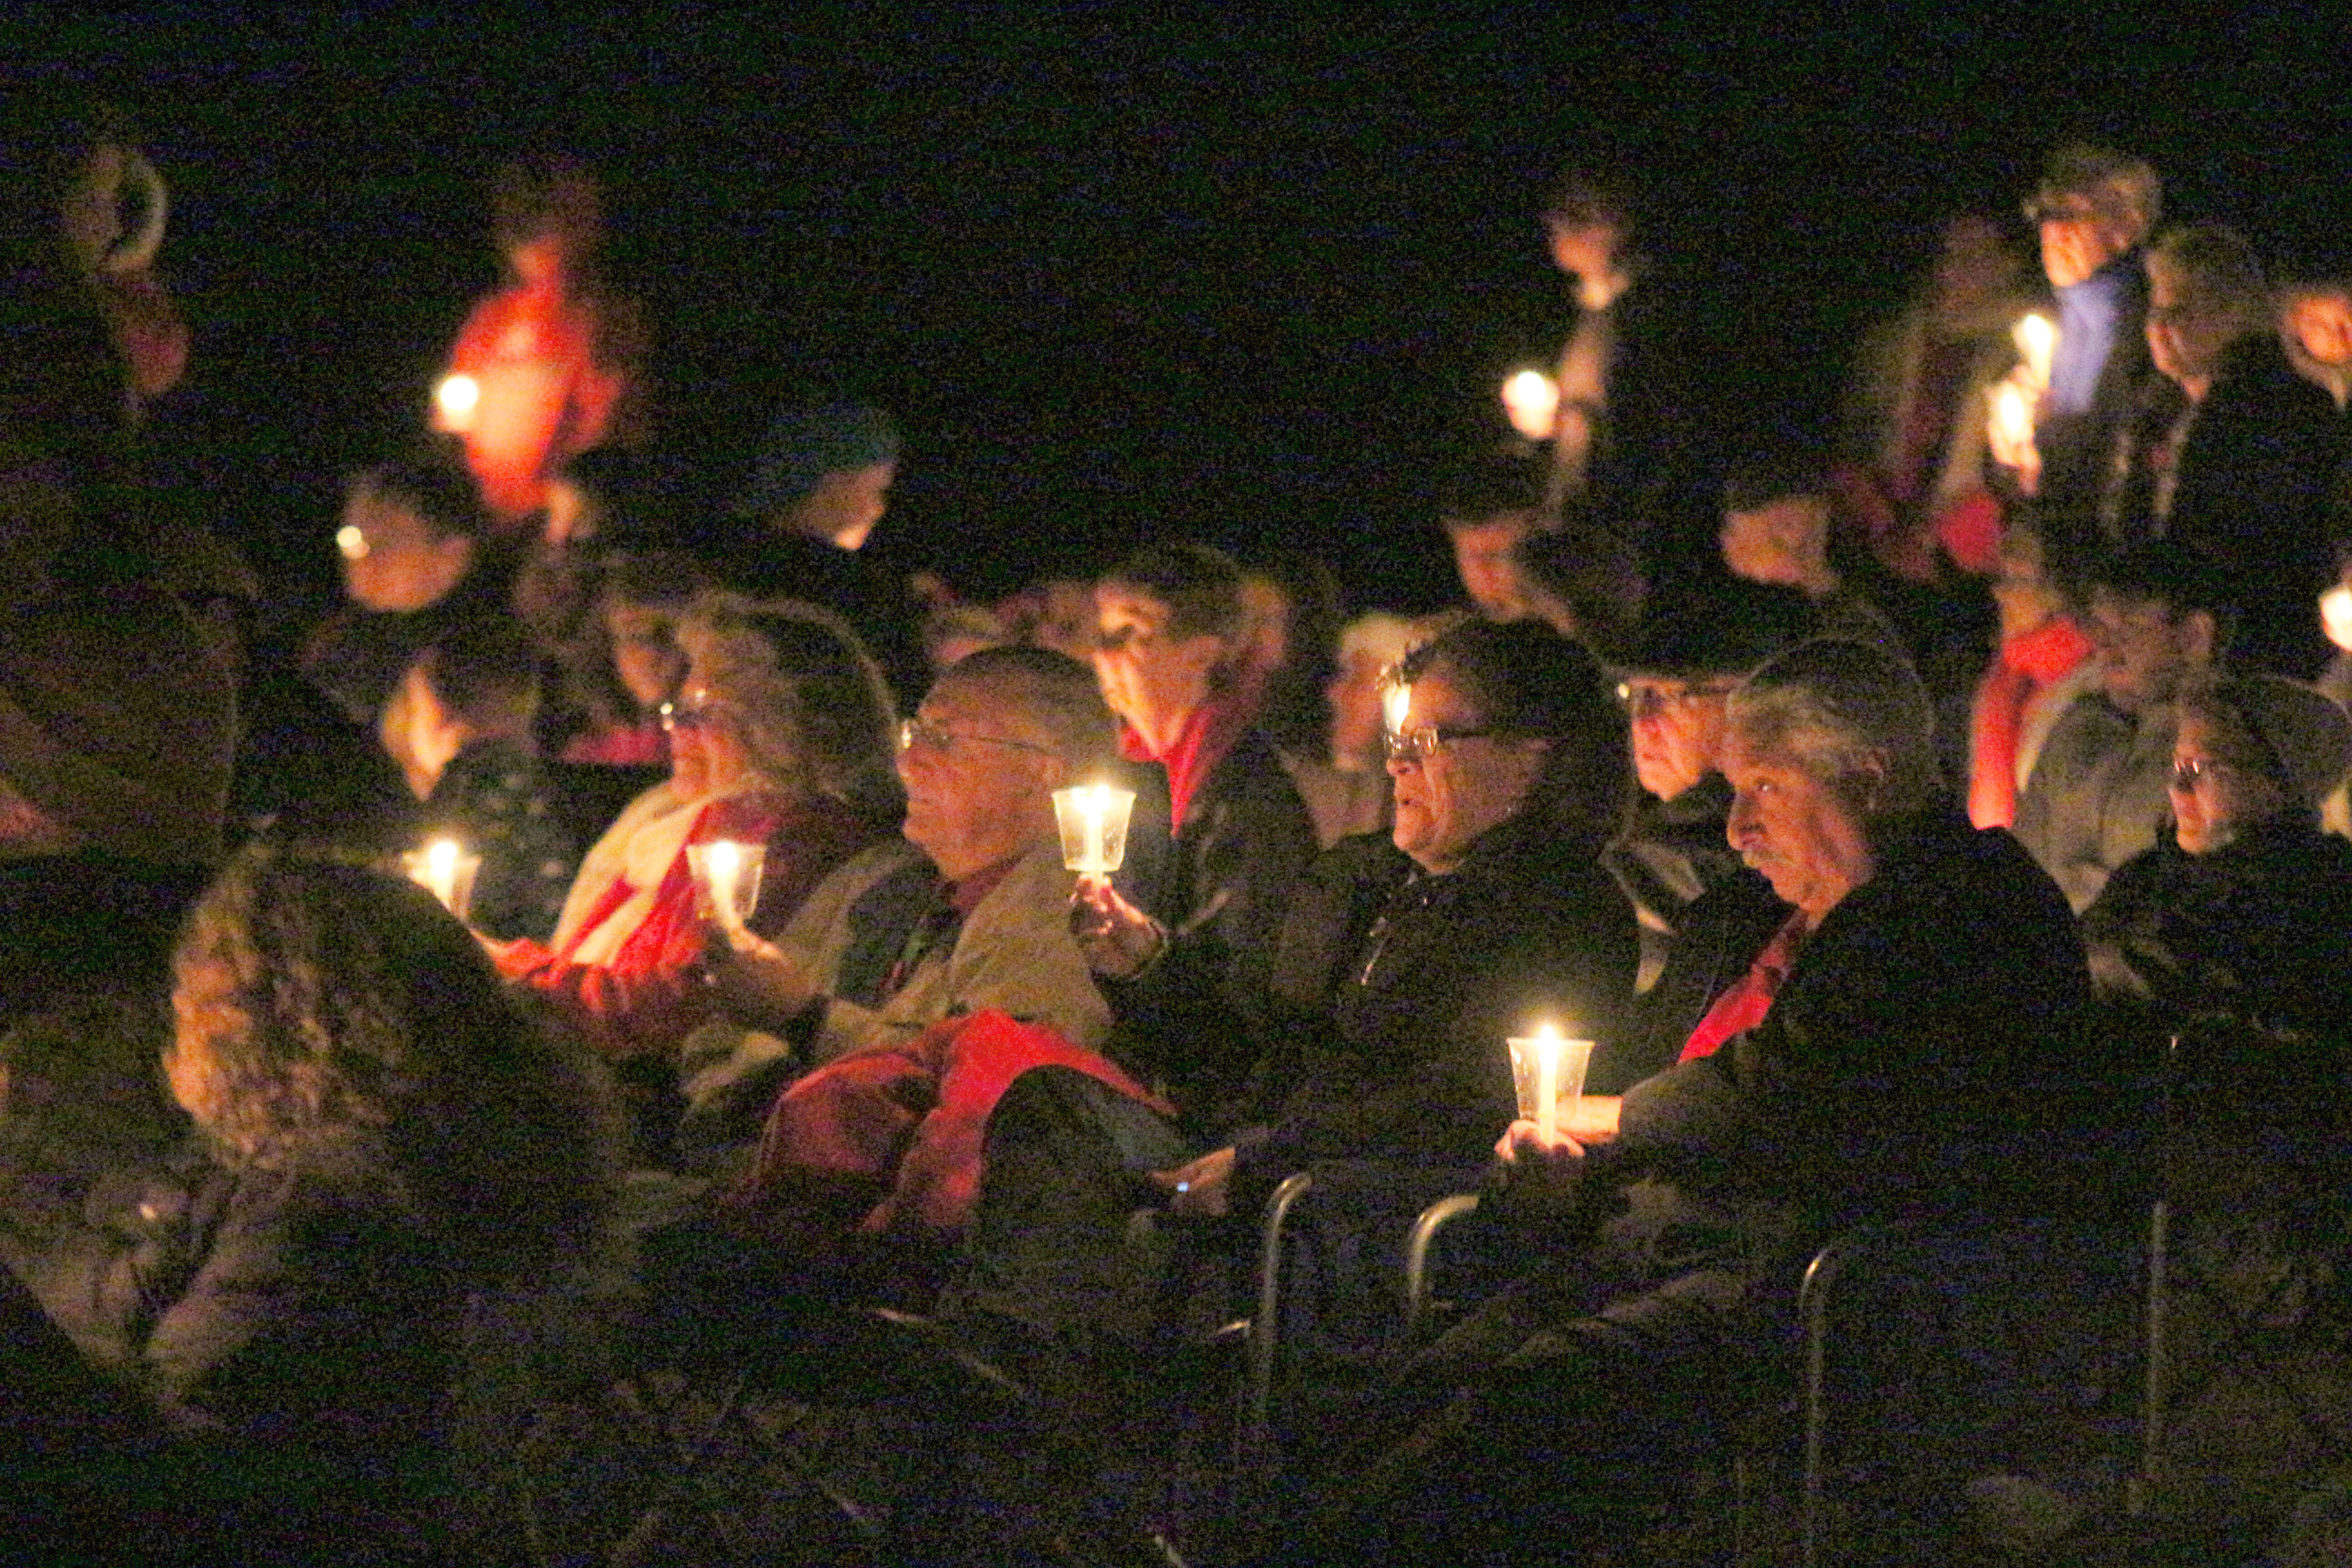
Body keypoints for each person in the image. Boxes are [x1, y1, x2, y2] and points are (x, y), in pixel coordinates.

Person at [1269, 636, 2113, 1567]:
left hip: (1824, 1289)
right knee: (1409, 1396)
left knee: (1510, 1416)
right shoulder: (1746, 916)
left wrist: (1617, 1121)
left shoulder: (1964, 913)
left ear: (1868, 780)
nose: (1736, 826)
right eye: (1733, 790)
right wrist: (1557, 1155)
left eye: (1764, 788)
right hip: (1657, 1247)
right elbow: (1639, 1067)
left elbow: (1786, 1091)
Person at [935, 620, 1640, 1559]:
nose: (1397, 762)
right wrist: (1146, 965)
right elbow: (1244, 1054)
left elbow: (1459, 1102)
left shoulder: (1560, 911)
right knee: (1053, 1107)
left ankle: (1025, 1474)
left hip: (1357, 1204)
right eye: (1395, 736)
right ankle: (997, 1418)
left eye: (1429, 740)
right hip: (1258, 1160)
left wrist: (1268, 1159)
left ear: (1532, 758)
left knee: (1094, 1223)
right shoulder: (1362, 882)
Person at [0, 847, 615, 1565]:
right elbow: (140, 1282)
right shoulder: (335, 1166)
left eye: (195, 989)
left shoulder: (329, 1216)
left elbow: (173, 1481)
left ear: (273, 1025)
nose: (176, 1013)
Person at [693, 647, 1130, 1259]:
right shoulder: (877, 881)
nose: (906, 761)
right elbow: (720, 1054)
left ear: (1044, 773)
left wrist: (808, 1018)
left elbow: (988, 1105)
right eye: (913, 733)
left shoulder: (1076, 921)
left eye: (944, 739)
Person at [497, 594, 900, 1158]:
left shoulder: (795, 841)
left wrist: (501, 967)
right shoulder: (670, 818)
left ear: (782, 726)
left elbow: (679, 1006)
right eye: (675, 710)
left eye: (701, 713)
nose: (674, 731)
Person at [1070, 542, 1318, 1126]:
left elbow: (1241, 995)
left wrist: (1142, 957)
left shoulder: (1249, 804)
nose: (1102, 654)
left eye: (1131, 632)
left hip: (1212, 1104)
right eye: (1102, 632)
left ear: (1201, 655)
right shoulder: (1128, 780)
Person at [2100, 225, 2344, 677]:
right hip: (2153, 650)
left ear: (2234, 313)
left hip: (2246, 658)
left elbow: (2263, 553)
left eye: (2178, 312)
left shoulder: (2282, 412)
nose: (2157, 328)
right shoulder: (2156, 409)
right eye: (2155, 311)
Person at [2080, 674, 2352, 1054]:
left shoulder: (2325, 897)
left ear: (2275, 785)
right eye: (2178, 766)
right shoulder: (2146, 878)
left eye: (2202, 769)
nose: (2177, 789)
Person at [1596, 585, 1802, 1067]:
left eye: (1672, 696)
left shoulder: (1660, 865)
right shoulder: (1645, 842)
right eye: (1637, 695)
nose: (1643, 723)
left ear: (1754, 701)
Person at [1526, 167, 1716, 584]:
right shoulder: (1596, 314)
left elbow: (1654, 429)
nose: (1555, 228)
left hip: (1617, 535)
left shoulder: (1644, 318)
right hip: (1585, 522)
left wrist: (1623, 527)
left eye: (1574, 215)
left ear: (1609, 227)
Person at [2013, 540, 2226, 911]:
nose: (2107, 648)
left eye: (2131, 628)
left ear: (2193, 636)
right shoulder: (2078, 726)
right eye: (2101, 628)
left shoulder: (2226, 743)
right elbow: (2022, 856)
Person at [432, 157, 639, 526]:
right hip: (481, 514)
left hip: (552, 519)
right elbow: (453, 416)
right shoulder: (489, 319)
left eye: (547, 215)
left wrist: (573, 489)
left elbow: (608, 424)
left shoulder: (601, 320)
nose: (530, 231)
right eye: (519, 218)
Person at [1837, 212, 2040, 583]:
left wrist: (1939, 541)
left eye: (1972, 257)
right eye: (1948, 255)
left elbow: (2017, 475)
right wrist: (1880, 525)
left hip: (1966, 561)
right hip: (1874, 544)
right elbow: (1852, 439)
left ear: (2009, 265)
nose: (1950, 271)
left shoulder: (2029, 349)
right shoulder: (1895, 342)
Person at [388, 619, 582, 944]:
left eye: (414, 711)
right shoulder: (545, 783)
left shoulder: (466, 789)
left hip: (495, 956)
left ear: (438, 714)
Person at [2000, 144, 2162, 531]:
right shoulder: (2047, 322)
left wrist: (2048, 435)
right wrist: (2013, 440)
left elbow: (2120, 466)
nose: (2052, 231)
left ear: (2126, 227)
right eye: (2044, 214)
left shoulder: (2154, 334)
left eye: (2070, 214)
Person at [723, 402, 929, 705]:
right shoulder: (857, 589)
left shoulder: (725, 568)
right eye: (877, 490)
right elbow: (904, 692)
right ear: (835, 483)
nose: (879, 509)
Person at [299, 456, 512, 734]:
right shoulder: (339, 628)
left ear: (451, 554)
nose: (359, 562)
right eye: (352, 538)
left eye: (384, 545)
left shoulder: (468, 668)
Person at [1969, 524, 2096, 830]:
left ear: (2061, 594)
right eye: (2001, 576)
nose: (2000, 592)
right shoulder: (2006, 682)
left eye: (2017, 578)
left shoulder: (2089, 691)